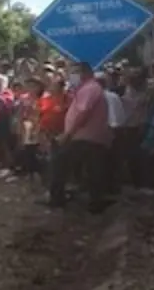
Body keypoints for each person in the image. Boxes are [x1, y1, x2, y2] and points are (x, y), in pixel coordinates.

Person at [43, 62, 113, 213]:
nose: (71, 76)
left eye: (74, 72)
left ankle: (58, 198)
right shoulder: (86, 89)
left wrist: (68, 134)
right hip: (86, 136)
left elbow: (83, 113)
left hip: (84, 136)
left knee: (60, 163)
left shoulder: (89, 89)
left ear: (84, 73)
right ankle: (95, 202)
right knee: (92, 169)